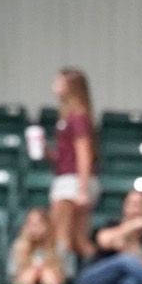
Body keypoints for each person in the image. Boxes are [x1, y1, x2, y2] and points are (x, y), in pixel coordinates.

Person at [46, 68, 97, 265]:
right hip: (69, 177)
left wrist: (82, 189)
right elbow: (68, 154)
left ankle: (60, 280)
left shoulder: (77, 117)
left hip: (72, 181)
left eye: (59, 80)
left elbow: (84, 153)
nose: (55, 84)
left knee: (61, 236)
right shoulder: (67, 116)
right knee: (78, 241)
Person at [7, 208, 67, 284]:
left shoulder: (58, 246)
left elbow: (65, 274)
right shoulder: (18, 246)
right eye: (30, 224)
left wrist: (44, 272)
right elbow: (12, 273)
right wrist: (33, 272)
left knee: (48, 275)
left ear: (47, 226)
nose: (34, 229)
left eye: (38, 224)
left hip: (54, 283)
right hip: (24, 281)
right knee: (28, 275)